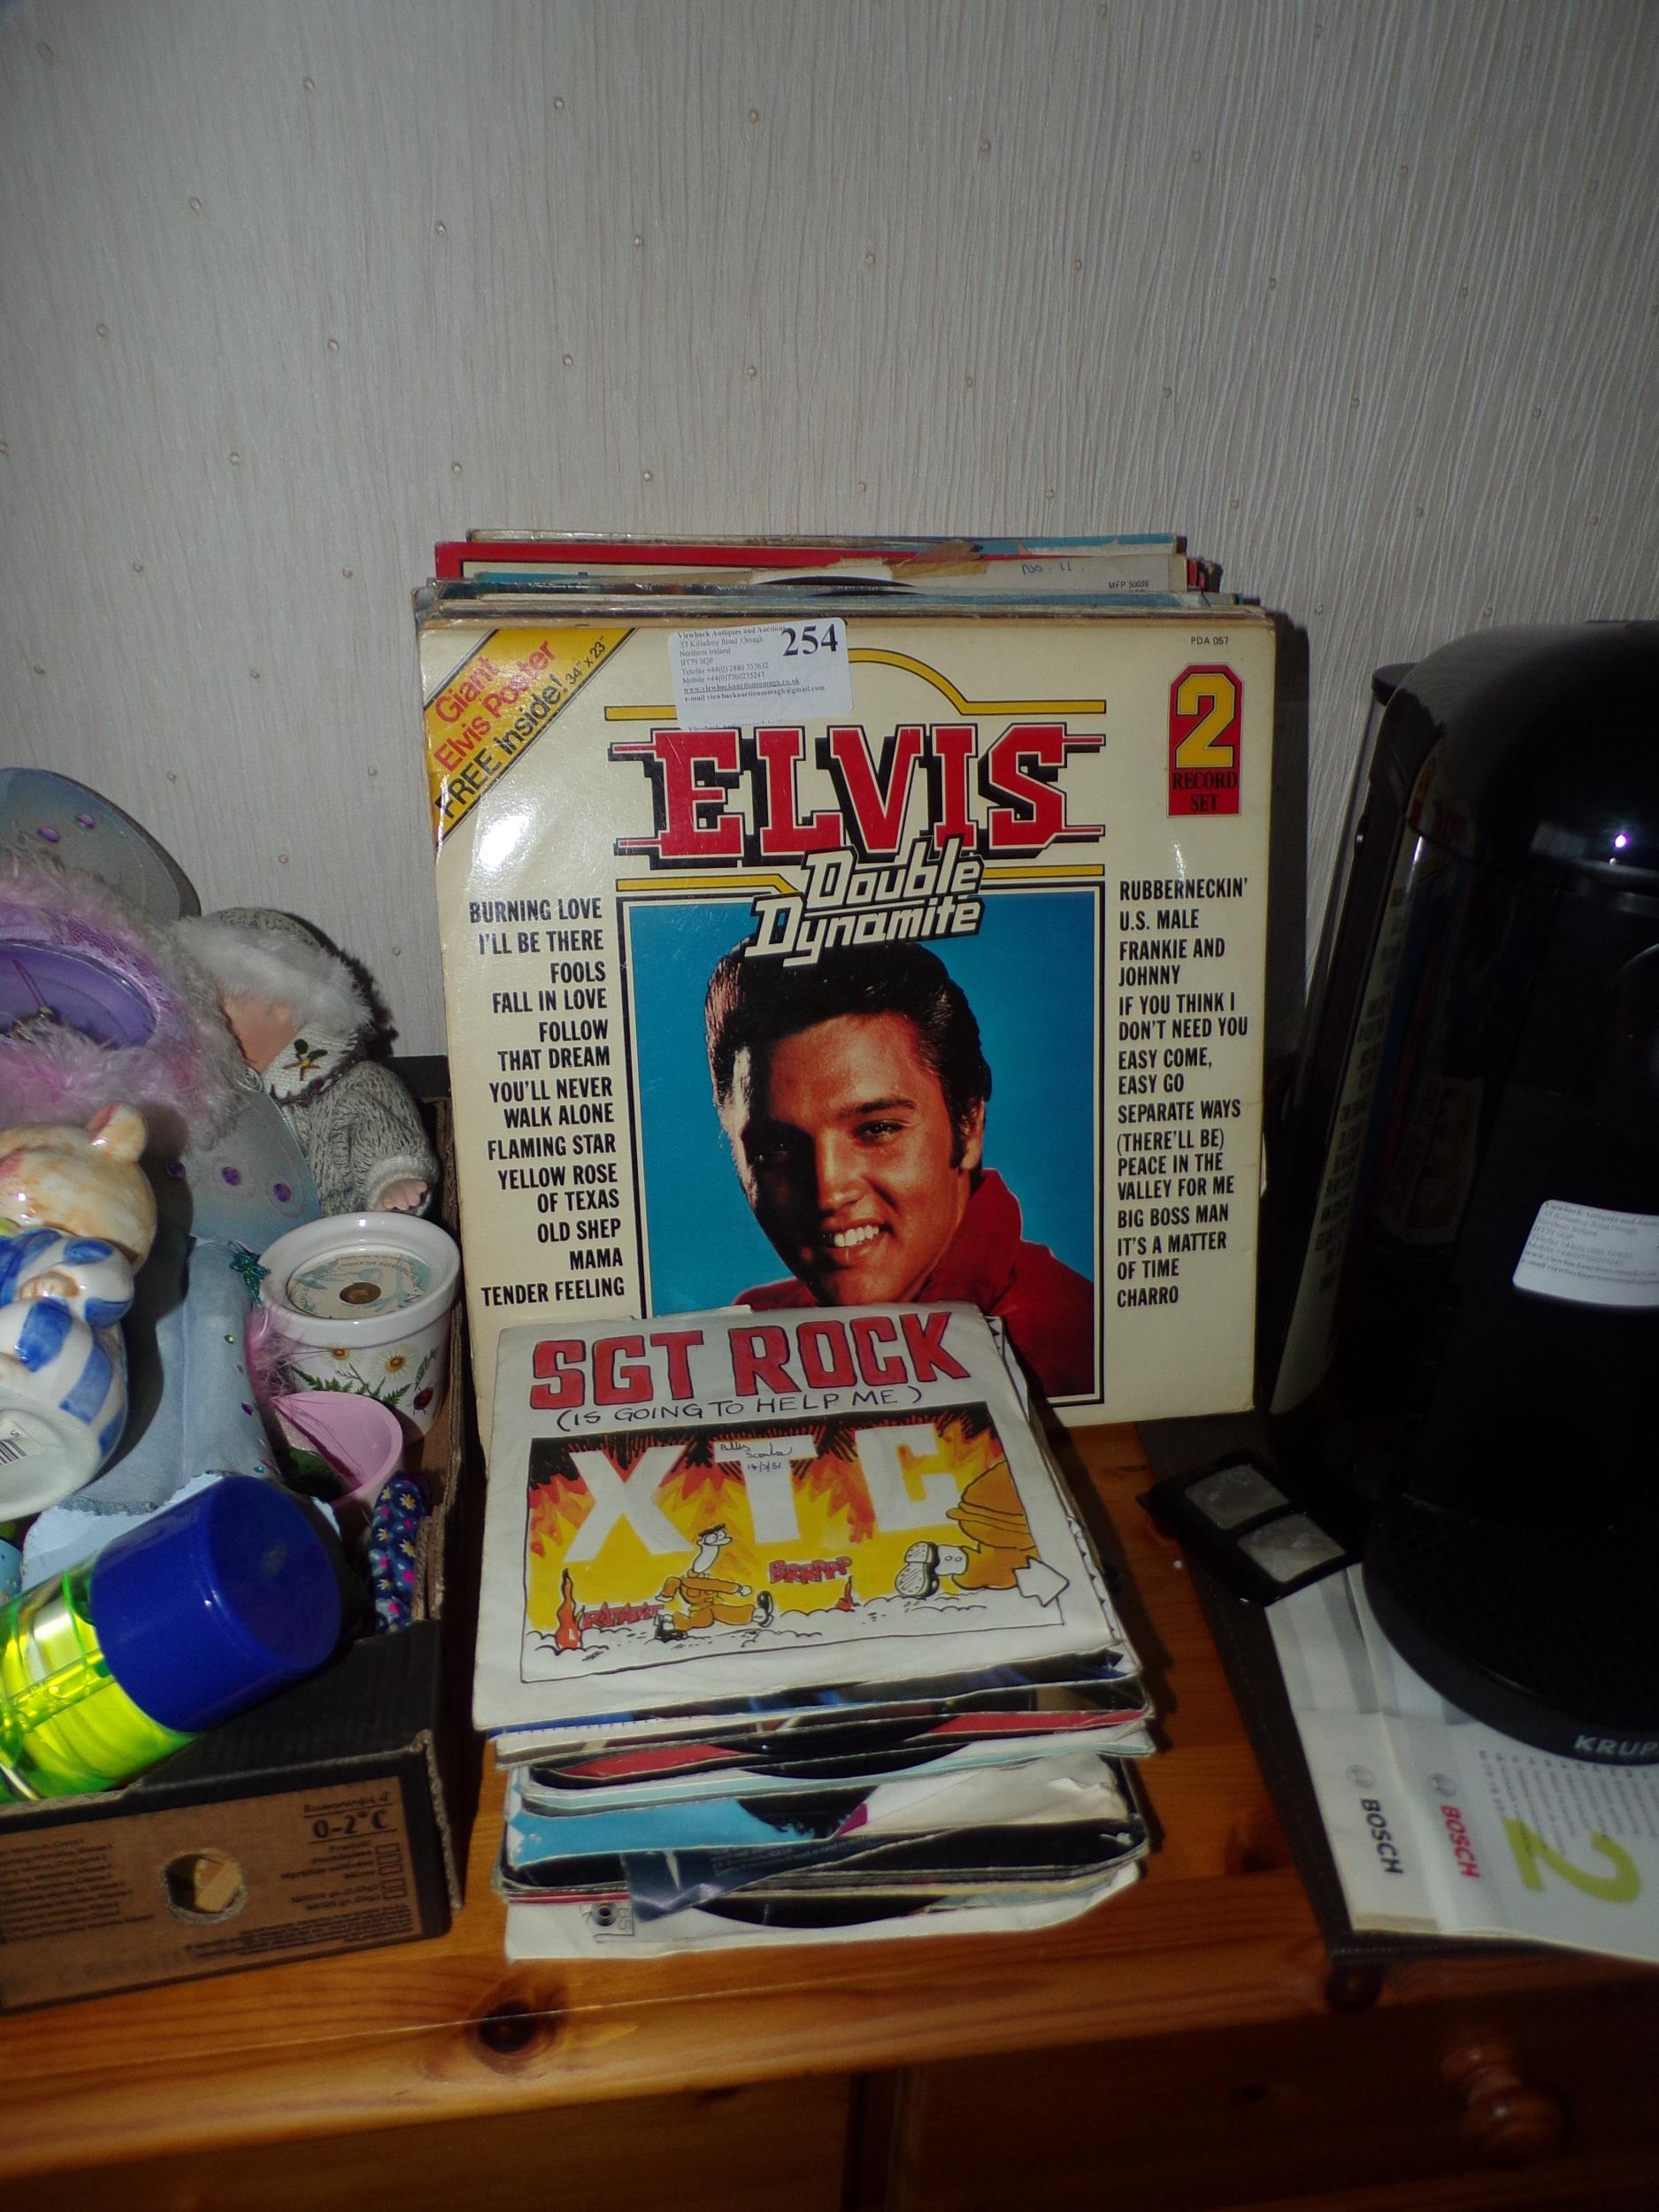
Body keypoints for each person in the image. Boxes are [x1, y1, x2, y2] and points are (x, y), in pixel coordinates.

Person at [704, 941, 1095, 1400]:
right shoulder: (762, 1333)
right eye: (778, 1147)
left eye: (878, 1129)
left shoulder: (1061, 1354)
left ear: (969, 1125)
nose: (829, 1192)